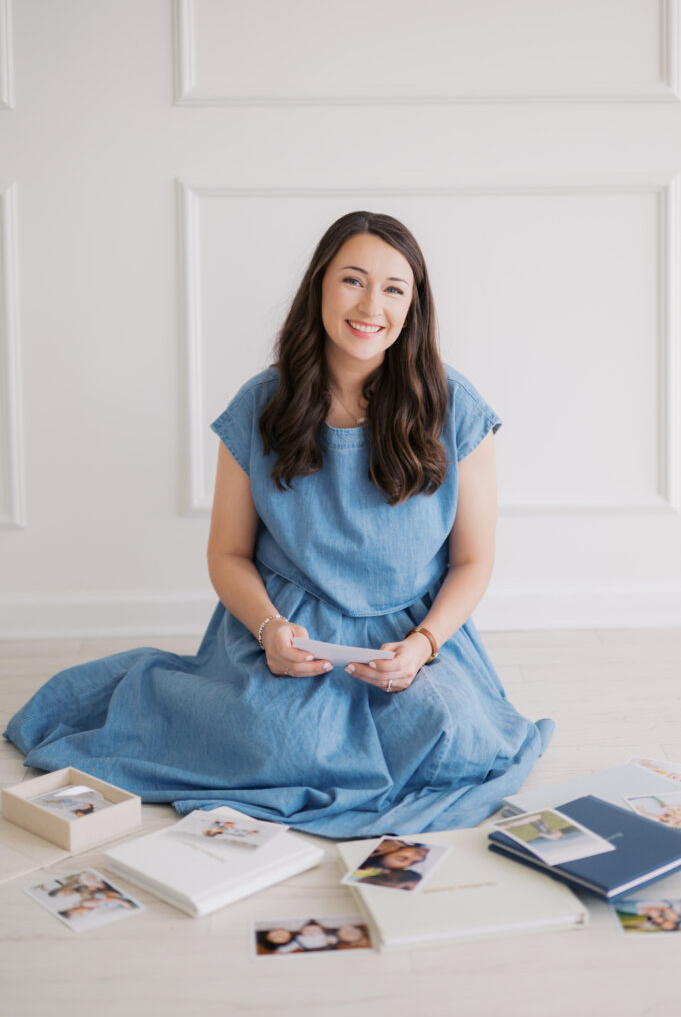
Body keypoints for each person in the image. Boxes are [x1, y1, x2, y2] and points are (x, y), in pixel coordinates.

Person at [3, 210, 553, 838]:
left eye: (394, 288)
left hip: (413, 634)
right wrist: (268, 630)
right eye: (353, 280)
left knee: (451, 735)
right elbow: (228, 554)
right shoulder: (260, 405)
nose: (372, 303)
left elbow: (473, 561)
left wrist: (424, 646)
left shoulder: (455, 408)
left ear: (414, 306)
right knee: (278, 738)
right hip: (290, 630)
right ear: (319, 285)